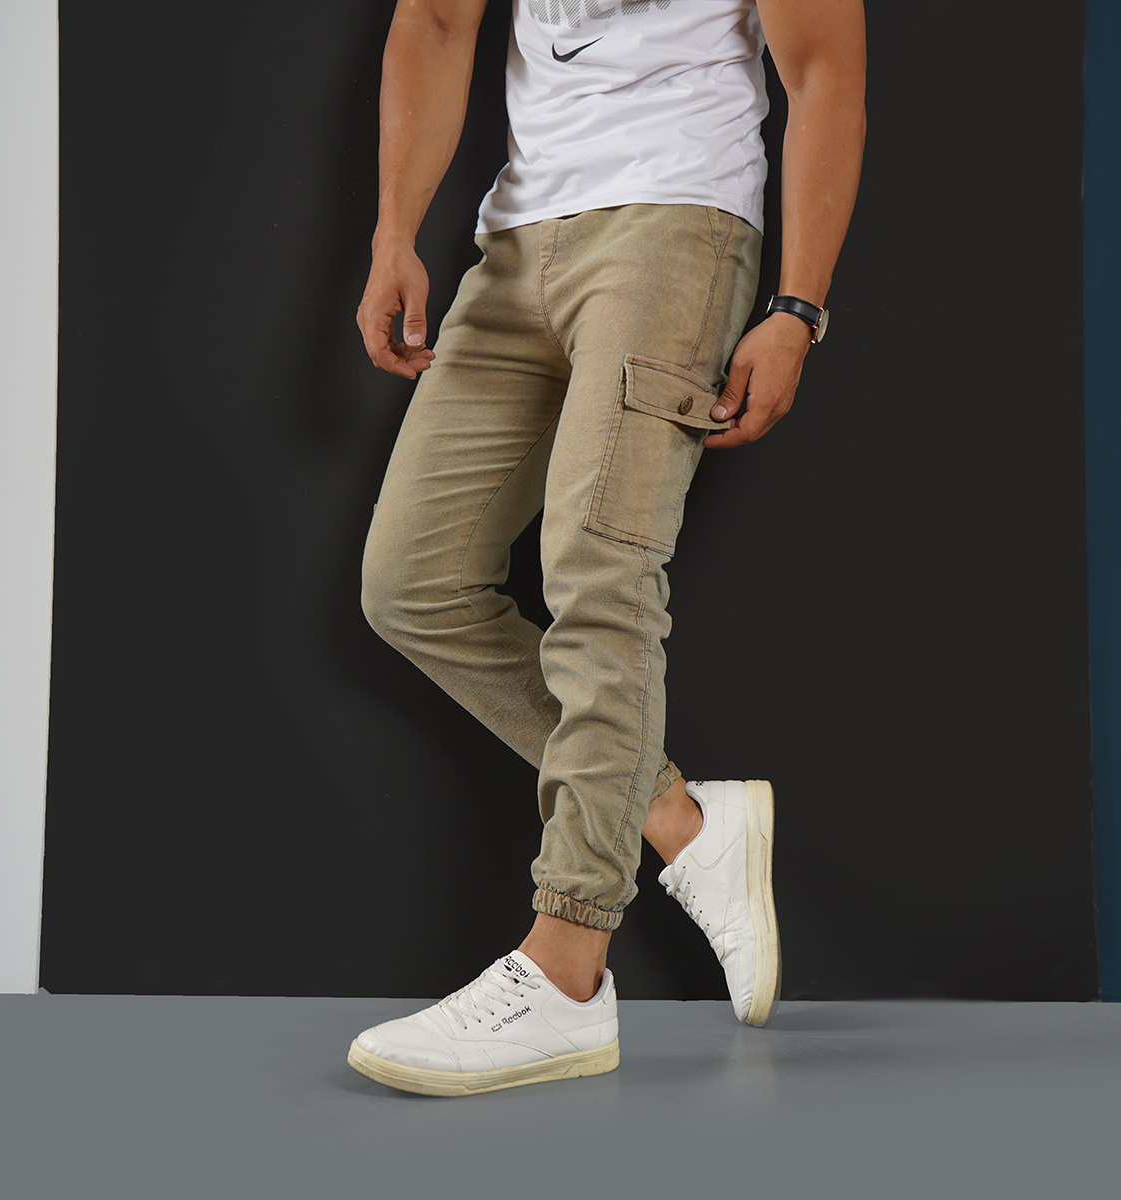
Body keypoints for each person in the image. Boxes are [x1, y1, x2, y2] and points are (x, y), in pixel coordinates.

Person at [347, 0, 866, 1097]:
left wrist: (798, 307)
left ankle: (567, 970)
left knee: (600, 575)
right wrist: (395, 232)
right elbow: (433, 21)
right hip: (516, 236)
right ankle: (680, 821)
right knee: (412, 583)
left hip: (678, 221)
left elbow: (825, 68)